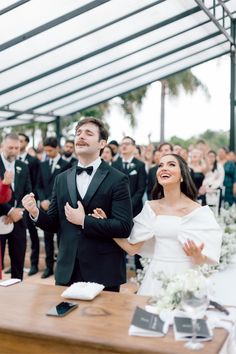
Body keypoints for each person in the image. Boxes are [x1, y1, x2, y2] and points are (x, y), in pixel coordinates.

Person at [22, 117, 133, 291]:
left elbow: (124, 227)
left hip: (102, 270)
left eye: (88, 133)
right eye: (78, 133)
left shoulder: (118, 179)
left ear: (101, 143)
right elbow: (52, 223)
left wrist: (84, 221)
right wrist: (35, 212)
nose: (81, 136)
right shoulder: (61, 179)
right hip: (67, 269)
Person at [91, 154, 222, 296]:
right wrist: (106, 224)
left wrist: (198, 257)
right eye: (160, 165)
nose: (164, 168)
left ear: (182, 176)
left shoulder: (197, 211)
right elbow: (132, 249)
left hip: (186, 278)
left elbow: (205, 259)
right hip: (156, 278)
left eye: (171, 165)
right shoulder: (151, 208)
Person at [36, 137, 69, 278]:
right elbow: (38, 185)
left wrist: (51, 200)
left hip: (60, 207)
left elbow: (65, 186)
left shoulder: (66, 164)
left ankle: (62, 267)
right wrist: (43, 200)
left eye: (50, 150)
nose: (48, 153)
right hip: (44, 207)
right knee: (47, 239)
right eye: (46, 150)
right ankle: (48, 267)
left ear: (57, 148)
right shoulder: (42, 165)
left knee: (61, 239)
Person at [0, 133, 32, 280]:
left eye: (17, 148)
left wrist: (18, 211)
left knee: (18, 262)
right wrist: (9, 211)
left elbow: (28, 191)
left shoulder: (23, 166)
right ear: (2, 146)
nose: (13, 151)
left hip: (19, 220)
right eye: (10, 147)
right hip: (1, 217)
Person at [18, 133, 40, 276]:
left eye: (21, 141)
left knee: (33, 235)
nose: (18, 143)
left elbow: (36, 181)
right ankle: (18, 264)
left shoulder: (33, 161)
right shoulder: (11, 161)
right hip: (15, 205)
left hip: (29, 202)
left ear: (26, 143)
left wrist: (31, 201)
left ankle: (34, 264)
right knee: (18, 236)